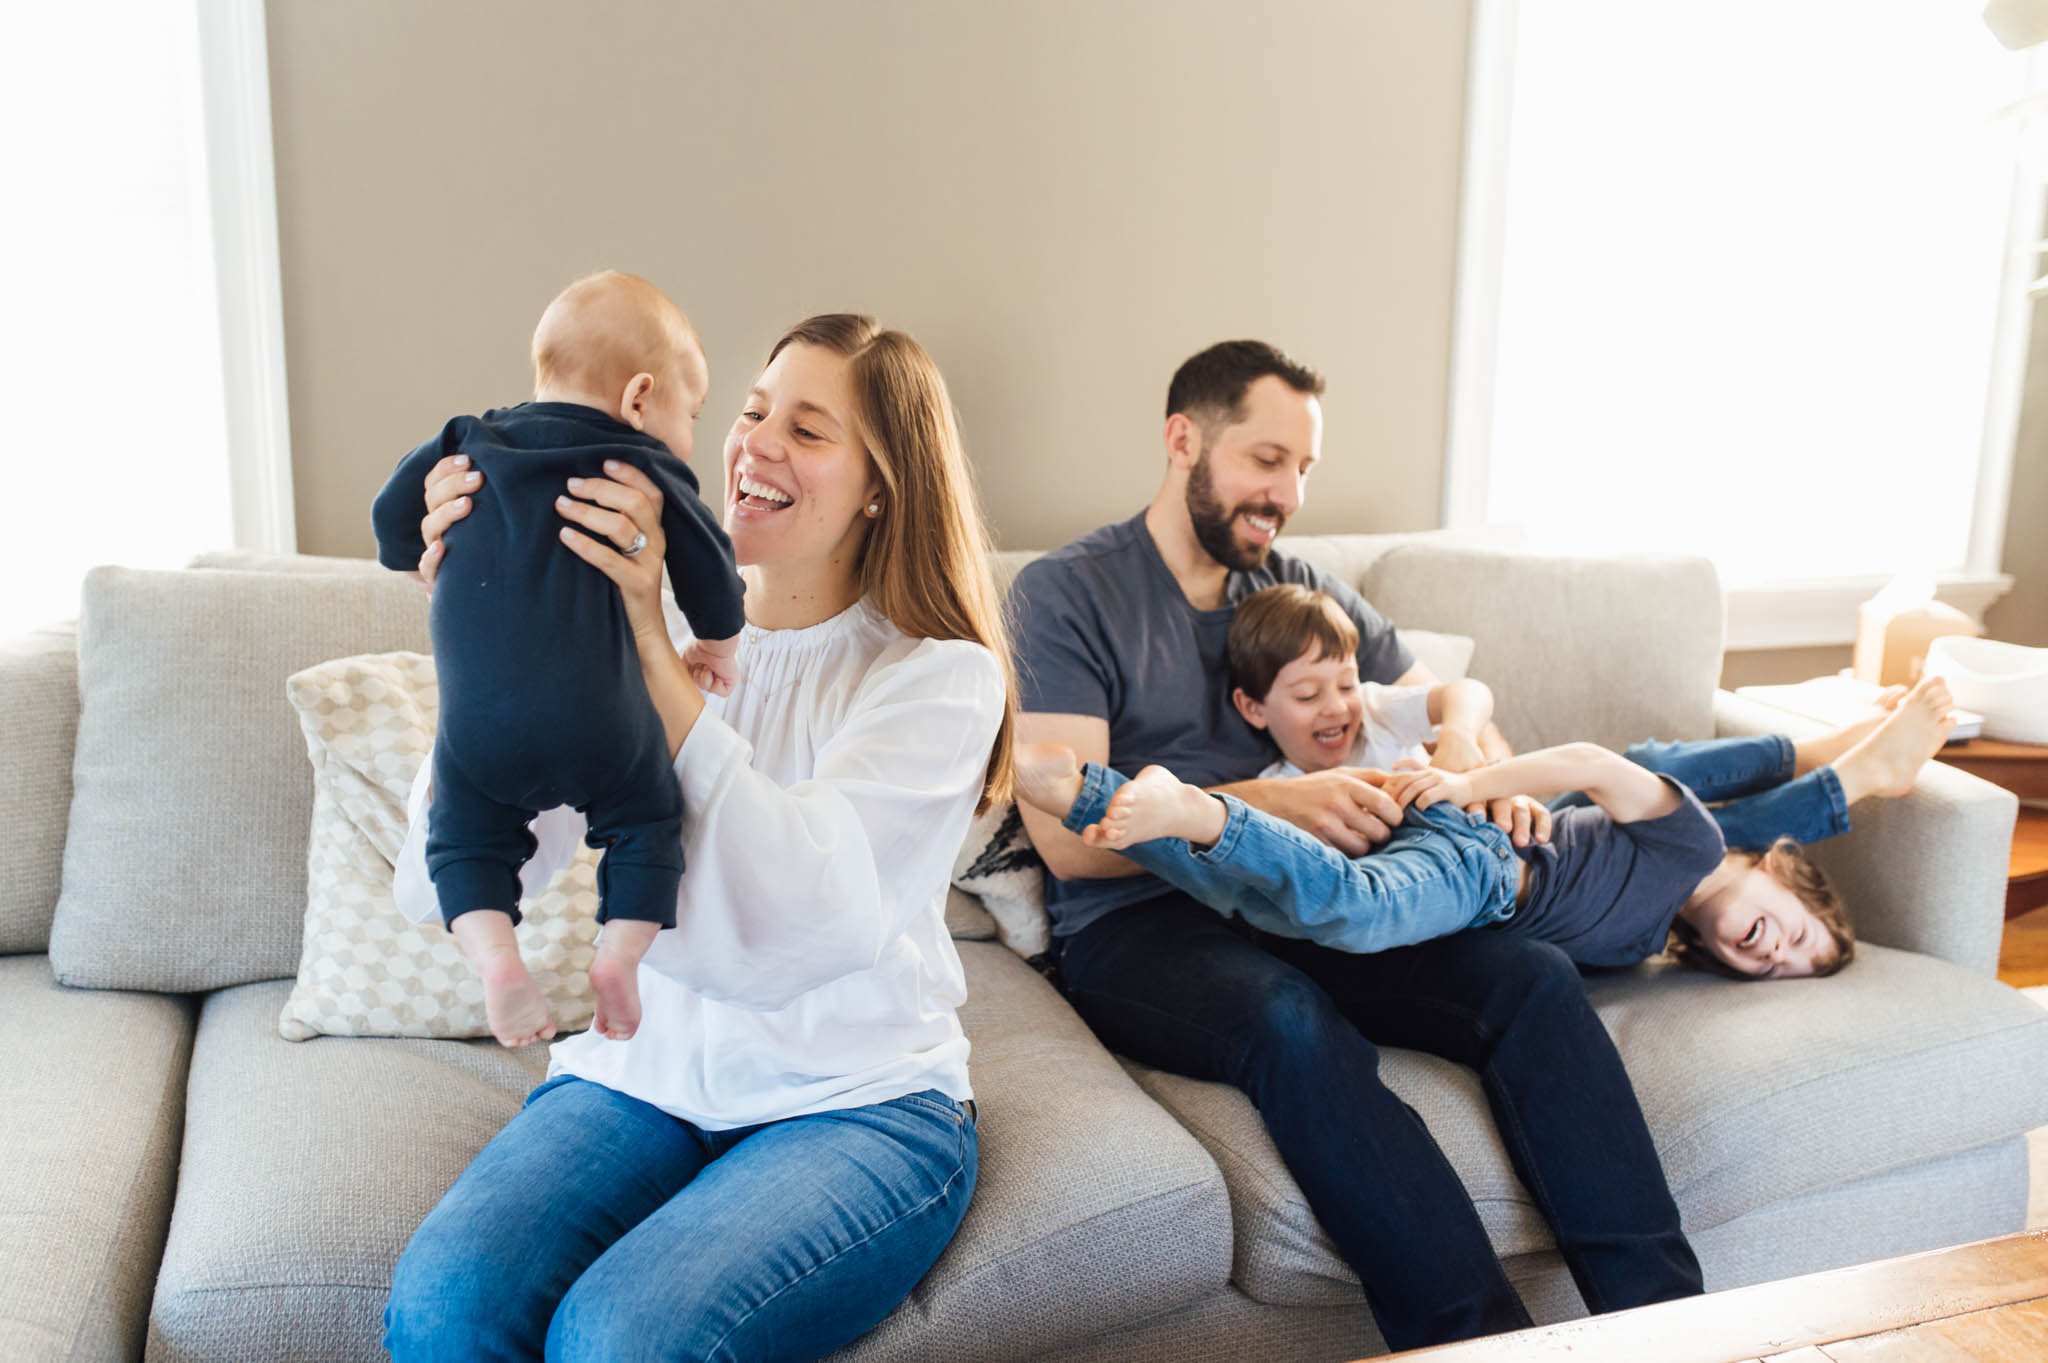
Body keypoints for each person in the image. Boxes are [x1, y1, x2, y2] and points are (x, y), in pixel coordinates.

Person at [1008, 339, 1701, 1351]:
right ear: (1181, 440)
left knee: (1531, 977)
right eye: (1263, 460)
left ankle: (1676, 1332)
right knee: (1289, 1022)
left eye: (1301, 469)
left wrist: (1470, 759)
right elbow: (1070, 846)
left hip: (1329, 896)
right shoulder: (1067, 593)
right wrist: (1272, 807)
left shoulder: (1292, 584)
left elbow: (1436, 708)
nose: (1283, 493)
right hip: (1143, 921)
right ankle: (1475, 1343)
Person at [382, 314, 1015, 1363]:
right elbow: (440, 881)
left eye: (808, 431)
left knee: (620, 1340)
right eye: (754, 411)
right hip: (642, 1077)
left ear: (879, 486)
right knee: (446, 1309)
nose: (753, 444)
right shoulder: (640, 617)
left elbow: (799, 920)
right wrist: (483, 633)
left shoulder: (938, 676)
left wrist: (649, 659)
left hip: (854, 1104)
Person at [370, 271, 747, 1046]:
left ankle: (498, 965)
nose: (690, 437)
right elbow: (712, 569)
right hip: (603, 724)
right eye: (694, 413)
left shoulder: (464, 442)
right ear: (641, 397)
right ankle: (618, 956)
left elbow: (387, 524)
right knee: (646, 819)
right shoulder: (642, 466)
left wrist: (425, 551)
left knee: (463, 834)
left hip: (478, 733)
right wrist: (715, 638)